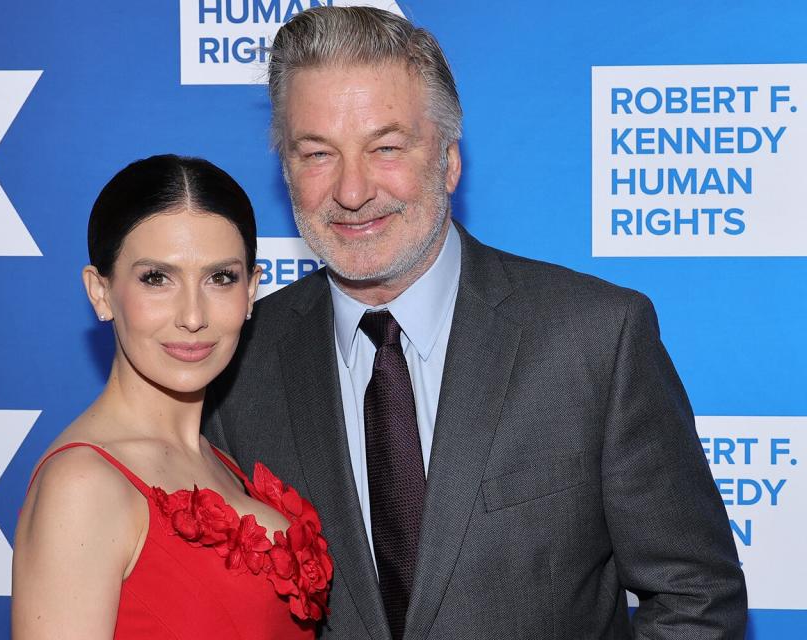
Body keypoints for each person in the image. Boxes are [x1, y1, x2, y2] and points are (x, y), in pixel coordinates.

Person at [205, 7, 746, 640]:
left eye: (385, 148)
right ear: (286, 170)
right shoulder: (238, 361)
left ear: (449, 161)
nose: (351, 191)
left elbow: (695, 597)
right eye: (318, 153)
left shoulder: (595, 337)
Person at [12, 154, 332, 639]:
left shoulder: (221, 462)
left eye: (220, 278)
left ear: (251, 291)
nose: (192, 315)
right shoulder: (82, 486)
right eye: (156, 278)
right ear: (101, 292)